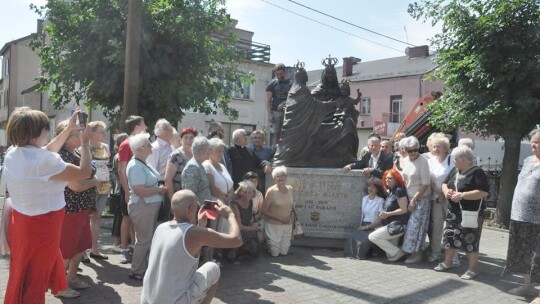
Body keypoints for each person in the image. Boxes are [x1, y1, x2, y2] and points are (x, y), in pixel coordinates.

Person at [4, 108, 92, 302]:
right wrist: (85, 144)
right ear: (37, 133)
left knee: (23, 271)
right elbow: (84, 172)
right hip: (44, 227)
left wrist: (68, 130)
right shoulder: (45, 161)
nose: (48, 133)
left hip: (22, 223)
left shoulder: (14, 152)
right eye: (46, 129)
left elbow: (45, 151)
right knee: (36, 278)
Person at [140, 190, 242, 304]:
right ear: (191, 209)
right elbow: (236, 240)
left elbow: (187, 250)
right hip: (175, 301)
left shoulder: (161, 228)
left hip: (147, 299)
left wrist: (200, 225)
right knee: (213, 268)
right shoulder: (193, 234)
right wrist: (230, 215)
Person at [56, 120, 100, 291]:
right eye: (77, 133)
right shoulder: (60, 156)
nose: (82, 135)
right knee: (66, 249)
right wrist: (95, 181)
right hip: (69, 210)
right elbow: (76, 186)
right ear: (65, 136)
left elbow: (84, 176)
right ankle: (60, 286)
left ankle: (71, 278)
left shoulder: (76, 152)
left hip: (82, 210)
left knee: (80, 246)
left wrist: (85, 145)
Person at [434, 145, 489, 280]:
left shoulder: (477, 172)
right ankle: (448, 262)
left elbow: (483, 192)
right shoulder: (455, 170)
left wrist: (462, 195)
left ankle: (472, 269)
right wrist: (446, 191)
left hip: (471, 213)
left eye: (455, 158)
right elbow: (444, 183)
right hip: (454, 212)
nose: (453, 160)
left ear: (464, 159)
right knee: (450, 237)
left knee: (471, 240)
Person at [504, 128, 540, 300]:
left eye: (538, 142)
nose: (534, 144)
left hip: (537, 219)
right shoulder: (527, 161)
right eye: (533, 141)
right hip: (519, 215)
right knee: (523, 254)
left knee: (536, 255)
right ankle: (526, 286)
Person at [126, 133, 168, 280]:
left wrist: (159, 185)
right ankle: (137, 270)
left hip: (149, 206)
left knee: (146, 238)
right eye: (148, 144)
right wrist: (159, 190)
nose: (151, 146)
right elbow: (139, 191)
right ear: (140, 148)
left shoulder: (143, 162)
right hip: (142, 206)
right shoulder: (136, 166)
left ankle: (142, 268)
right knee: (144, 239)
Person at [117, 115, 147, 263]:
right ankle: (123, 249)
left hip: (139, 186)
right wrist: (127, 191)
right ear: (136, 127)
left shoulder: (141, 143)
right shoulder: (126, 144)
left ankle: (134, 246)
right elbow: (121, 170)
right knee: (127, 218)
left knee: (134, 218)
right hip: (128, 187)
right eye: (143, 124)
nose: (146, 127)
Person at [400, 136, 431, 263]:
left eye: (415, 150)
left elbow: (425, 184)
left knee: (416, 227)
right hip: (408, 196)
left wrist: (414, 200)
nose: (413, 153)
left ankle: (416, 253)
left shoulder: (423, 161)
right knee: (410, 226)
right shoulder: (405, 160)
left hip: (420, 198)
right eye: (410, 150)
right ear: (405, 150)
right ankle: (409, 251)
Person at [368, 169, 410, 261]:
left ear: (396, 179)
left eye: (390, 178)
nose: (387, 180)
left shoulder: (399, 190)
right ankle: (398, 252)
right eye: (386, 178)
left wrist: (388, 214)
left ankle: (400, 253)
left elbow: (404, 209)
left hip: (398, 225)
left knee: (372, 236)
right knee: (390, 255)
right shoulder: (391, 192)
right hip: (390, 225)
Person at [426, 133, 454, 263]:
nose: (436, 149)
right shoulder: (430, 162)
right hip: (435, 198)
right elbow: (430, 180)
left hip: (449, 198)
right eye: (434, 146)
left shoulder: (451, 160)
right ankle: (435, 252)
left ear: (445, 147)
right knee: (436, 226)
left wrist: (444, 193)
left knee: (452, 227)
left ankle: (454, 256)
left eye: (439, 147)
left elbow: (454, 179)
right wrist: (438, 193)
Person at [344, 177, 386, 259]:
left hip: (372, 226)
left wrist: (366, 227)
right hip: (363, 225)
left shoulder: (380, 201)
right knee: (352, 236)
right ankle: (352, 255)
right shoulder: (364, 199)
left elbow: (379, 220)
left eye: (373, 187)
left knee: (363, 241)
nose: (370, 188)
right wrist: (361, 226)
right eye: (369, 186)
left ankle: (361, 255)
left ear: (377, 189)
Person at [88, 121, 111, 260]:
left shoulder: (105, 146)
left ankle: (94, 249)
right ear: (92, 133)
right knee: (86, 218)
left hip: (104, 185)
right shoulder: (85, 147)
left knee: (97, 218)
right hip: (90, 186)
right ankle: (82, 251)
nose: (104, 134)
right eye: (101, 131)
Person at [262, 166, 294, 257]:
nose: (280, 178)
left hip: (287, 224)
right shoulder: (271, 191)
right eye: (278, 176)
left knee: (284, 252)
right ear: (274, 178)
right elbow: (263, 210)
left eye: (282, 176)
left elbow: (291, 204)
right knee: (275, 253)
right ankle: (269, 244)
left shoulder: (291, 189)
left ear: (286, 177)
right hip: (273, 225)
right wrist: (280, 219)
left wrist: (292, 215)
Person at [230, 180, 264, 261]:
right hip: (238, 229)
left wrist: (254, 226)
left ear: (253, 193)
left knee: (261, 237)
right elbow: (239, 226)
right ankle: (237, 253)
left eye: (249, 192)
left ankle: (245, 252)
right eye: (244, 192)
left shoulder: (251, 202)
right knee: (248, 238)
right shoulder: (236, 204)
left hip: (248, 227)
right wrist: (253, 228)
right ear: (241, 192)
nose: (247, 195)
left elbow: (250, 219)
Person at [164, 127, 197, 199]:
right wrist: (172, 200)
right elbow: (168, 179)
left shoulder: (196, 155)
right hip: (179, 198)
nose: (188, 140)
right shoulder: (175, 156)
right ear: (181, 139)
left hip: (193, 198)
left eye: (191, 138)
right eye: (186, 138)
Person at [110, 133, 129, 252]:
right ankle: (117, 242)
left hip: (119, 187)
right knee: (120, 216)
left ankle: (118, 242)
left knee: (120, 216)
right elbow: (120, 172)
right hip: (119, 188)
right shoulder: (119, 156)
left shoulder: (118, 155)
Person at [181, 136, 213, 205]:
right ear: (204, 151)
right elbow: (190, 194)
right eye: (209, 149)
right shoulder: (192, 167)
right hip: (197, 210)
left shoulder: (198, 164)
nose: (210, 152)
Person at [266, 63, 290, 145]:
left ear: (285, 72)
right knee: (276, 133)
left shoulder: (290, 83)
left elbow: (293, 97)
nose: (279, 76)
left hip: (288, 111)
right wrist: (269, 114)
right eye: (277, 74)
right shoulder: (273, 84)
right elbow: (268, 100)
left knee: (287, 132)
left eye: (281, 74)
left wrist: (284, 103)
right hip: (276, 112)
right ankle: (276, 150)